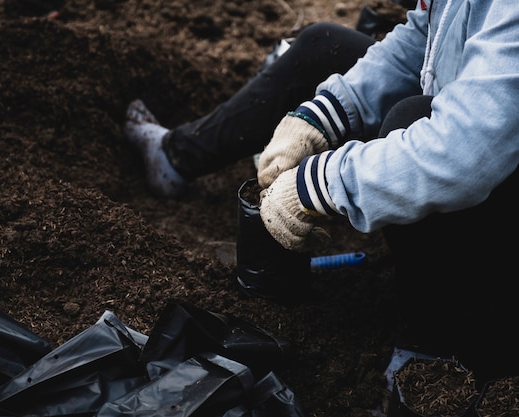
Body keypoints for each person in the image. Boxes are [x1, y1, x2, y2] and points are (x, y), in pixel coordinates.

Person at [124, 0, 519, 384]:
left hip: (486, 169)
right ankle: (174, 157)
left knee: (410, 118)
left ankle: (436, 355)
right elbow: (423, 40)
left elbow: (465, 151)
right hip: (482, 136)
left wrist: (321, 184)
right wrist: (323, 114)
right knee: (323, 45)